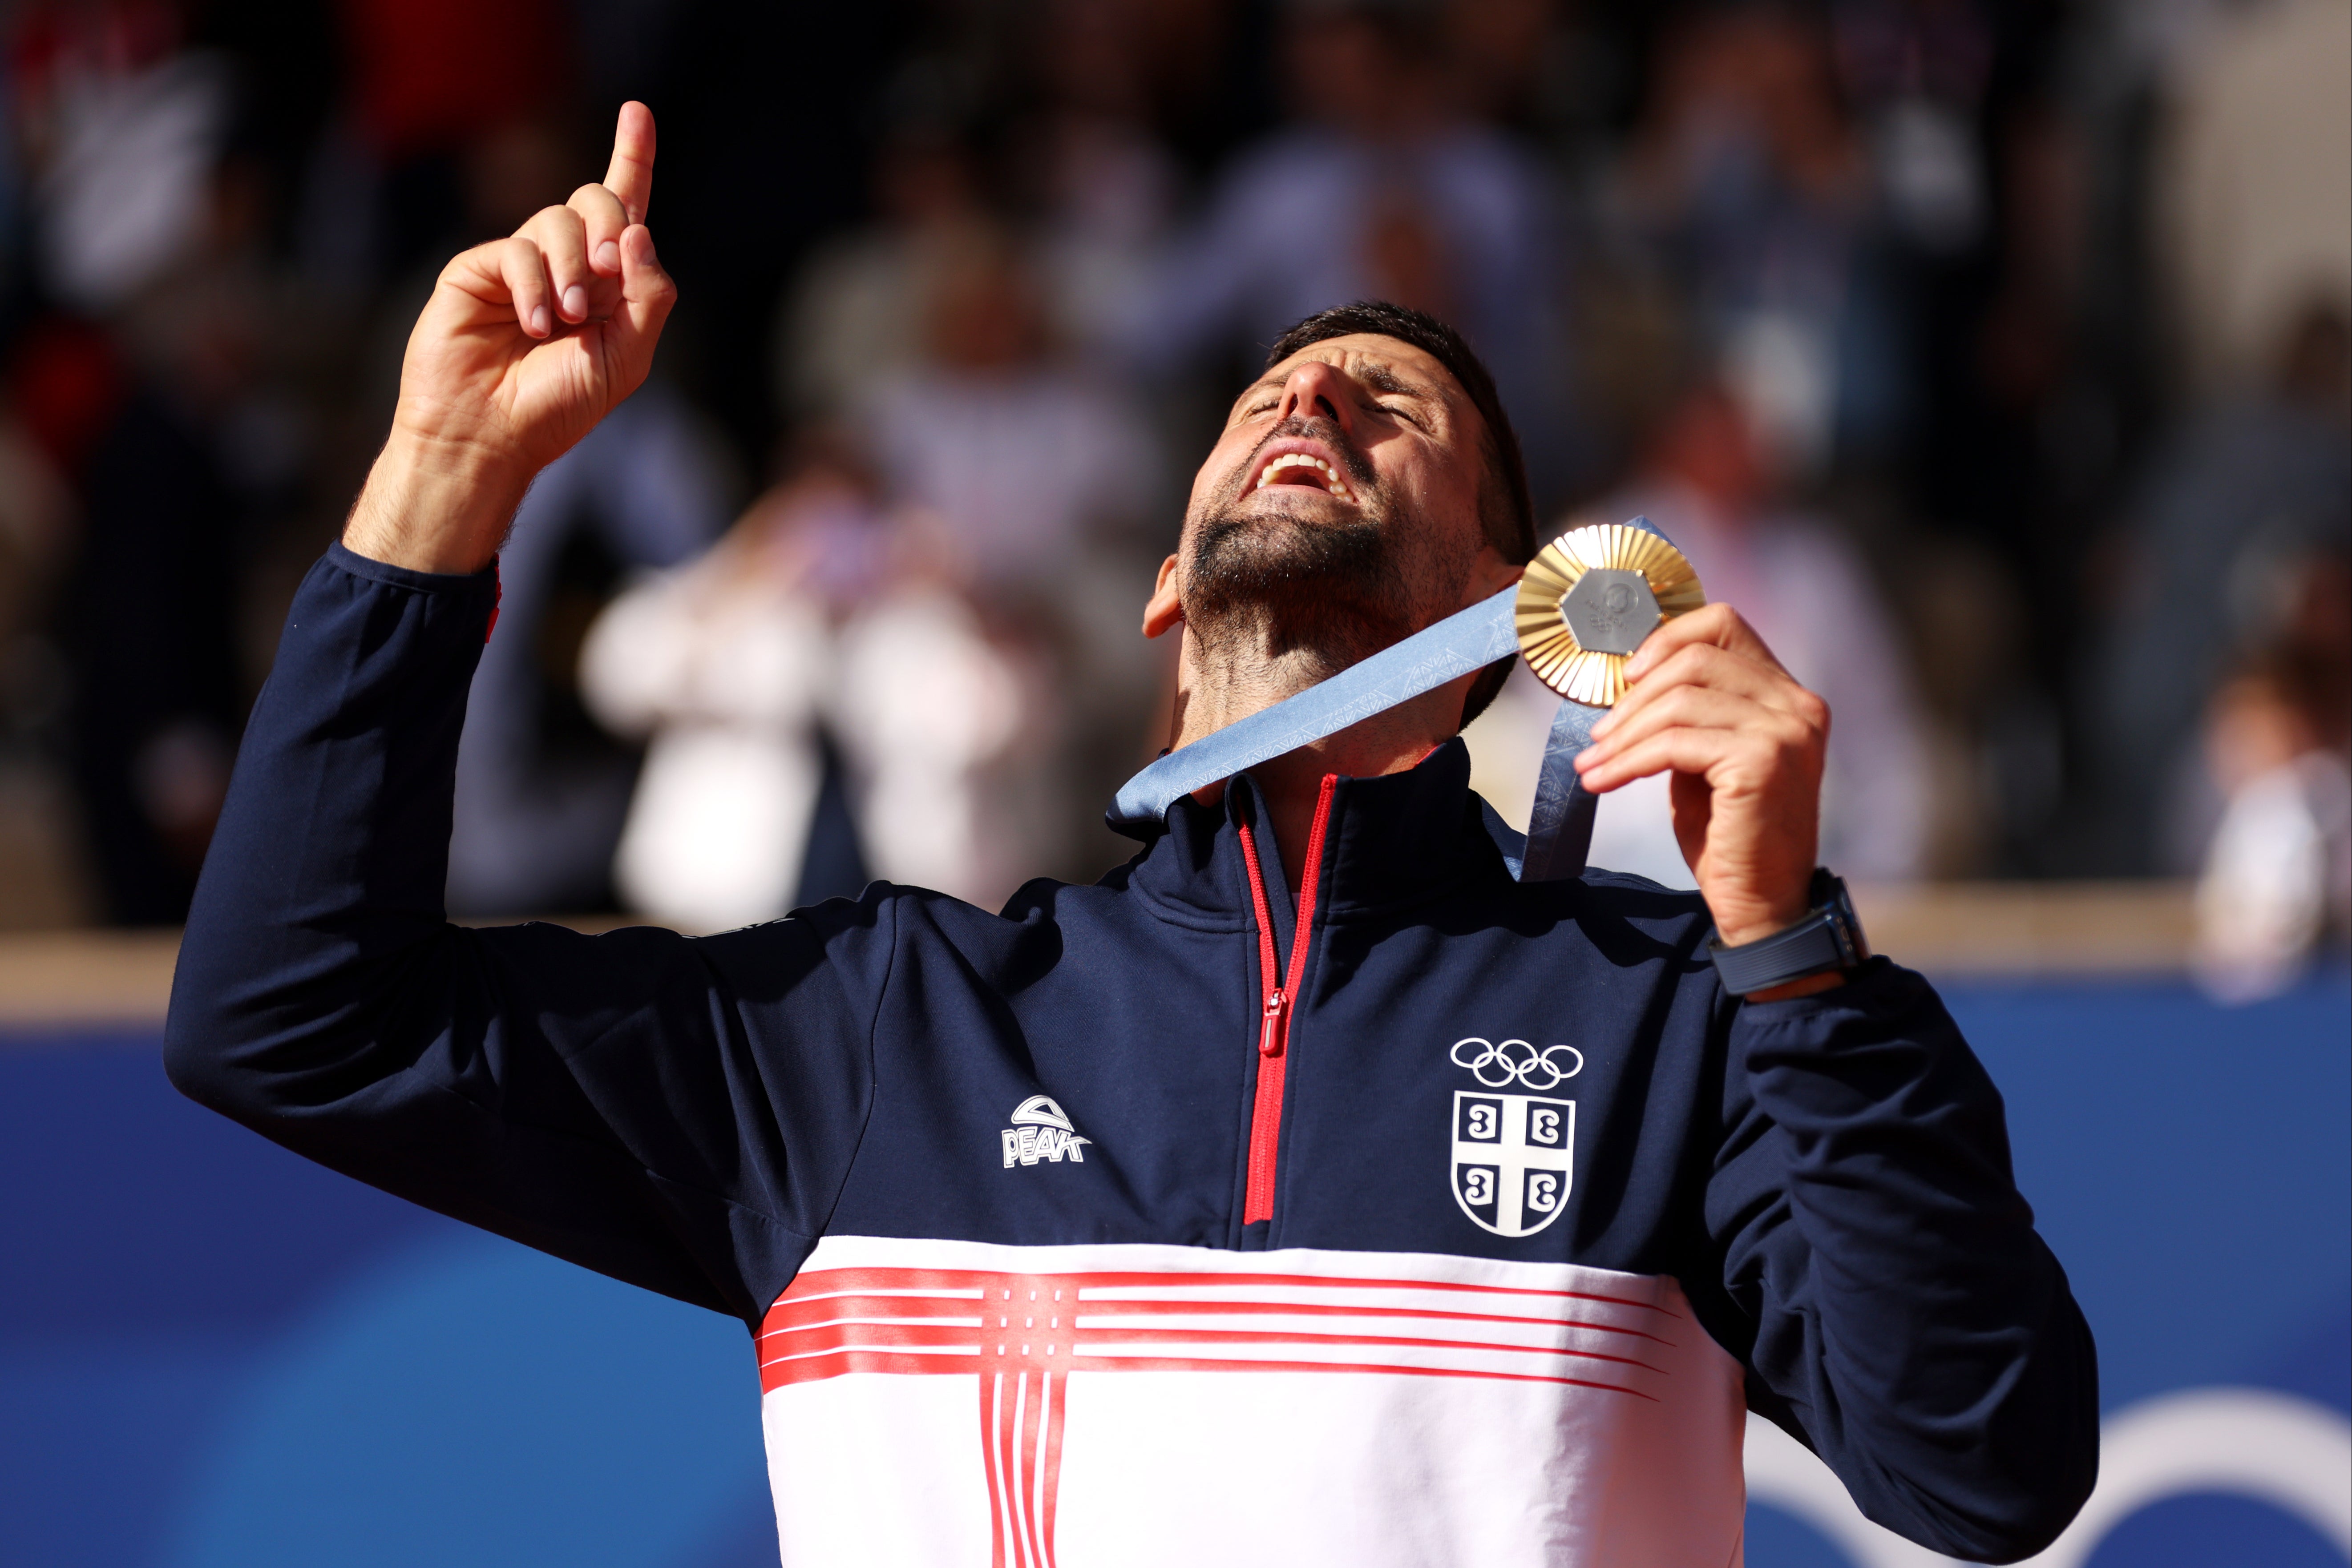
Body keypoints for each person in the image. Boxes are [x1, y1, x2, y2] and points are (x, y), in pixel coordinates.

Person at [166, 104, 2096, 1565]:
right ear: (1167, 592)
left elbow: (1983, 1469)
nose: (1314, 392)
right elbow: (291, 1018)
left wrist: (1784, 945)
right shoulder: (884, 1028)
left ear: (1530, 607)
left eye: (1389, 404)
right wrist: (438, 482)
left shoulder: (1675, 1025)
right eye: (1264, 394)